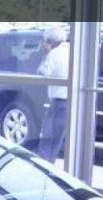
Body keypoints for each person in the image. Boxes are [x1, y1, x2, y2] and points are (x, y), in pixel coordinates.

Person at [37, 27, 70, 163]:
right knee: (56, 140)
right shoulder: (71, 50)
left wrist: (45, 54)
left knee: (48, 138)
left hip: (59, 102)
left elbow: (43, 73)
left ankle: (44, 169)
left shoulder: (54, 54)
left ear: (49, 42)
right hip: (71, 101)